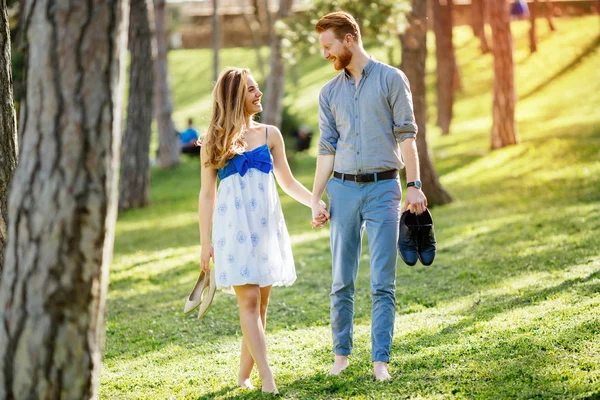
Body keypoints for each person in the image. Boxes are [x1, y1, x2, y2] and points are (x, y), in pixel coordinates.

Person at [309, 12, 428, 381]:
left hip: (383, 190)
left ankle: (380, 362)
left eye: (328, 46)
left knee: (382, 281)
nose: (325, 54)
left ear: (348, 40)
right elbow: (326, 148)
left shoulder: (392, 79)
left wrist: (415, 185)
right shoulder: (329, 93)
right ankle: (341, 356)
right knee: (341, 280)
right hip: (342, 190)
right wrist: (316, 198)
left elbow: (407, 135)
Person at [198, 67, 328, 393]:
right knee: (250, 303)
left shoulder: (271, 134)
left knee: (262, 305)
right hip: (233, 228)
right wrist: (205, 243)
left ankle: (243, 375)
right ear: (235, 97)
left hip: (266, 226)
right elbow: (206, 194)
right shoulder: (214, 141)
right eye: (252, 90)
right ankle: (267, 378)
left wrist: (314, 202)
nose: (259, 95)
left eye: (257, 88)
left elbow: (286, 182)